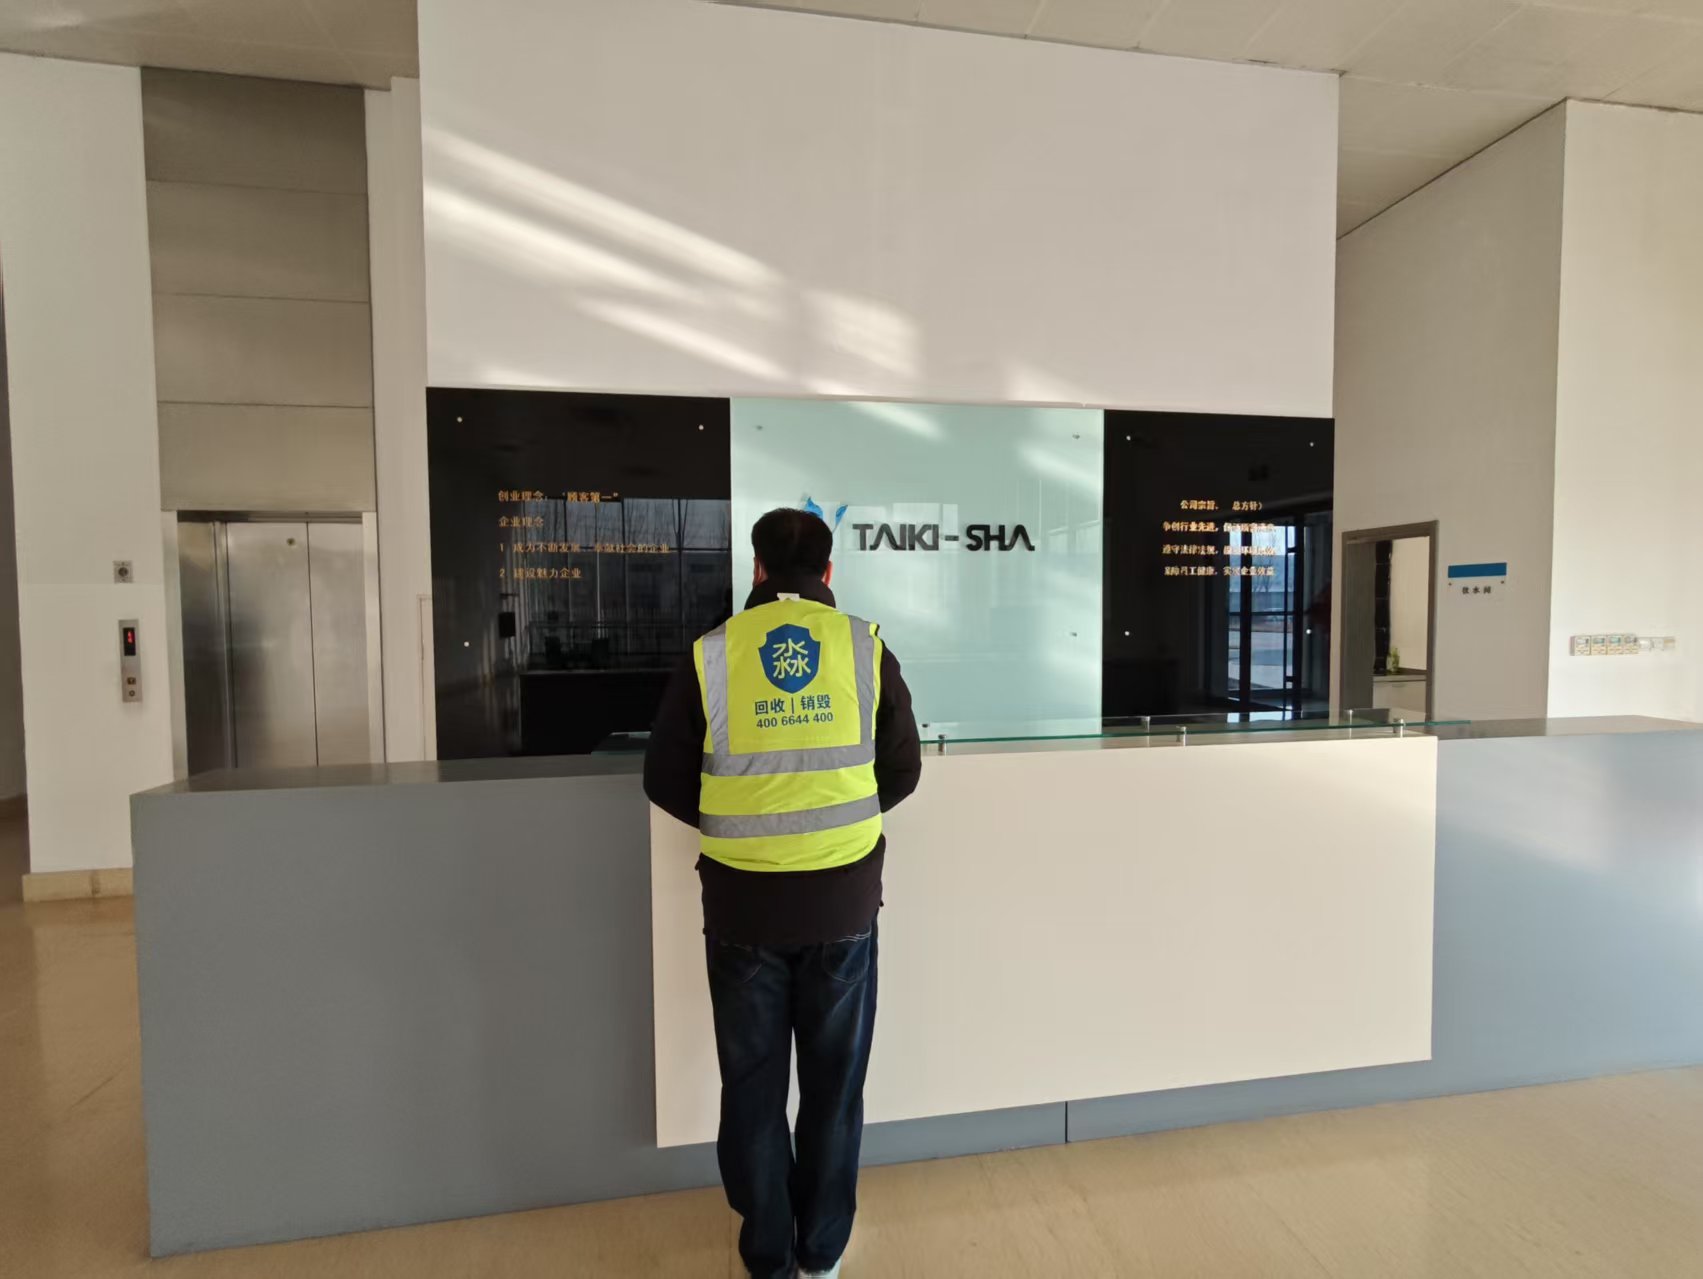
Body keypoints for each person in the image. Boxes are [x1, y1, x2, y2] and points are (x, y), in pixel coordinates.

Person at [645, 507, 922, 1279]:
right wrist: (834, 825)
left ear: (757, 569)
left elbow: (663, 777)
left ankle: (767, 1256)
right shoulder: (864, 646)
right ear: (828, 571)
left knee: (752, 1086)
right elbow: (902, 769)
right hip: (843, 904)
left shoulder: (711, 652)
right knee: (834, 1087)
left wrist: (742, 823)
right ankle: (820, 1252)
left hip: (742, 909)